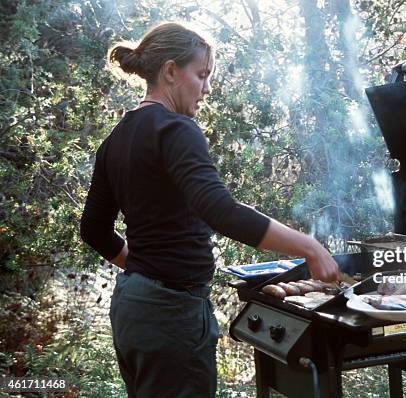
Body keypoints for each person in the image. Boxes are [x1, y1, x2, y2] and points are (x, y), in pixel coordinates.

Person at [80, 21, 339, 398]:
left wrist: (143, 269)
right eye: (201, 75)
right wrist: (310, 247)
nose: (207, 88)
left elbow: (93, 230)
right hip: (172, 315)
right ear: (170, 71)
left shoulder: (116, 139)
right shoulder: (177, 129)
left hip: (132, 308)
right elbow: (220, 211)